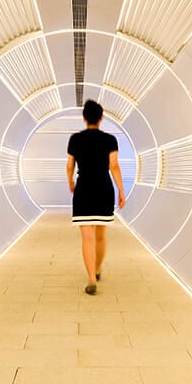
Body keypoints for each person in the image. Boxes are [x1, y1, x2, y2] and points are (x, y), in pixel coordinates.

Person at [66, 99, 126, 295]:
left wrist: (71, 182)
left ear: (84, 118)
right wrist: (121, 190)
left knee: (87, 237)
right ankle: (98, 268)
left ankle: (91, 278)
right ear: (101, 118)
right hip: (104, 189)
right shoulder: (110, 140)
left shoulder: (75, 139)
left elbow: (70, 166)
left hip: (83, 190)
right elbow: (114, 166)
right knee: (101, 235)